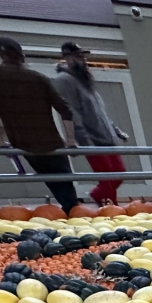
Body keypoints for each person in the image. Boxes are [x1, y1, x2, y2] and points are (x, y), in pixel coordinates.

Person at [0, 36, 79, 212]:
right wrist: (70, 141)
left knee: (53, 182)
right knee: (64, 183)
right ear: (21, 56)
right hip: (50, 141)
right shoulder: (37, 78)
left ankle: (70, 211)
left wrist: (0, 142)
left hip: (23, 142)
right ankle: (73, 211)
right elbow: (64, 109)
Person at [54, 42, 129, 206]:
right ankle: (111, 210)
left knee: (119, 173)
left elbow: (101, 112)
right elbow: (71, 112)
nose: (83, 60)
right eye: (78, 56)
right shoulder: (65, 81)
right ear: (68, 58)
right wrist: (83, 140)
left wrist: (116, 131)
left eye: (83, 56)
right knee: (107, 179)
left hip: (106, 136)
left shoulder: (85, 81)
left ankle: (97, 195)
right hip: (92, 139)